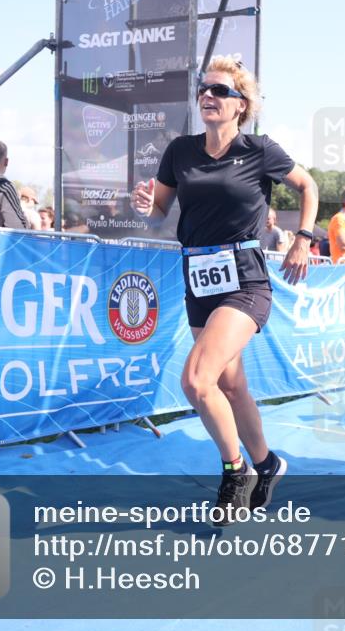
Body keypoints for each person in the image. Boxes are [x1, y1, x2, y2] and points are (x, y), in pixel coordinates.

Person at [130, 56, 318, 524]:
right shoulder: (180, 151)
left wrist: (304, 239)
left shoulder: (260, 150)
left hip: (246, 278)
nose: (208, 96)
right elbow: (159, 216)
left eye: (219, 91)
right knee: (232, 385)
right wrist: (145, 205)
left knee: (197, 381)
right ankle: (268, 464)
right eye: (203, 89)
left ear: (241, 105)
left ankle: (236, 472)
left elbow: (307, 186)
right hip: (198, 276)